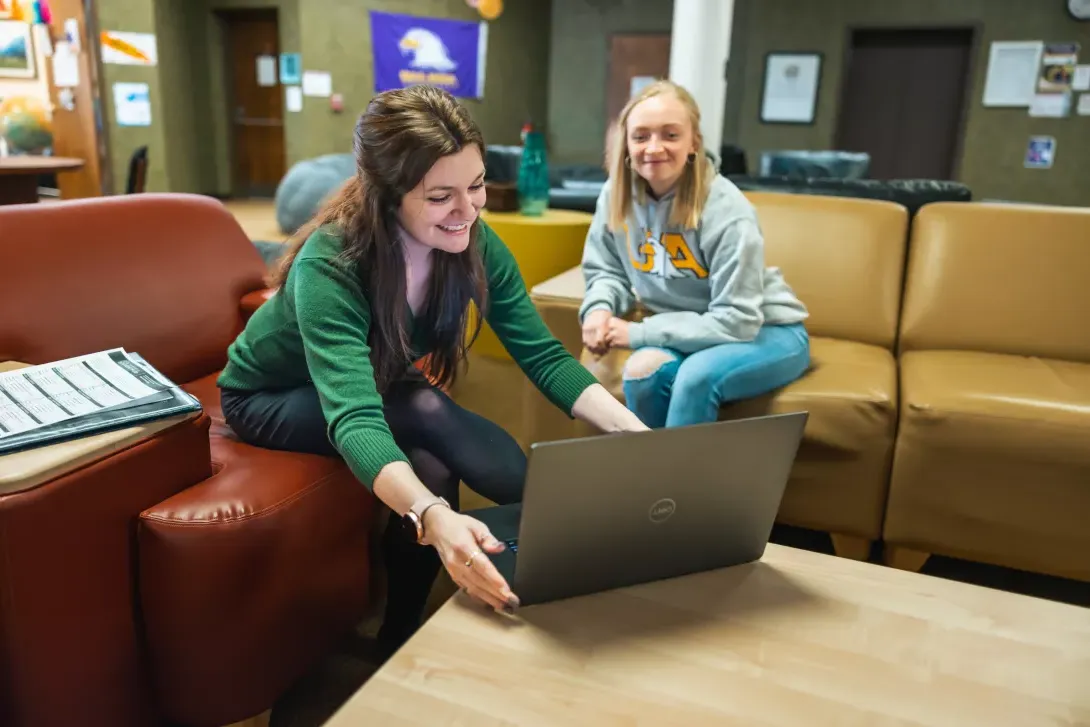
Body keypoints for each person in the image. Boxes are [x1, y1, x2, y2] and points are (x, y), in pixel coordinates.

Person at [216, 85, 647, 658]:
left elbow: (540, 354)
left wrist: (636, 439)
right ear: (386, 195)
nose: (467, 211)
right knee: (419, 410)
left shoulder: (471, 240)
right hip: (268, 397)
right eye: (442, 195)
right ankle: (566, 523)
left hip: (379, 380)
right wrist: (433, 517)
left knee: (431, 459)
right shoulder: (333, 260)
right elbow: (355, 418)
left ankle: (400, 636)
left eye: (476, 186)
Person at [579, 80, 810, 429]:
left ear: (694, 143)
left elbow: (737, 319)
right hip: (688, 329)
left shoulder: (726, 208)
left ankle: (677, 484)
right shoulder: (615, 194)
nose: (653, 148)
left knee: (695, 378)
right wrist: (598, 309)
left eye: (670, 135)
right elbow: (607, 270)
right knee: (642, 372)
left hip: (765, 331)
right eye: (640, 136)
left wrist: (639, 334)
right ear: (626, 143)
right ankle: (642, 477)